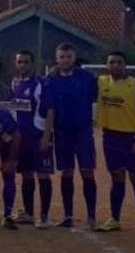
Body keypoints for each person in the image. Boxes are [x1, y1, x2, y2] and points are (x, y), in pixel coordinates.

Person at [94, 51, 135, 236]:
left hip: (132, 139)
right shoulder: (101, 82)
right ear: (106, 65)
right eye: (111, 62)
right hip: (110, 138)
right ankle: (115, 219)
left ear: (125, 65)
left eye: (119, 62)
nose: (115, 66)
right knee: (117, 179)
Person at [41, 43, 98, 229]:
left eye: (69, 57)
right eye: (62, 57)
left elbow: (96, 98)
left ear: (74, 58)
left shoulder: (87, 78)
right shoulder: (50, 80)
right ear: (57, 59)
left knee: (87, 170)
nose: (65, 60)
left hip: (83, 131)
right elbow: (50, 110)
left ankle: (91, 216)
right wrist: (48, 135)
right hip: (62, 133)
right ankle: (68, 216)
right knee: (66, 172)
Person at [3, 51, 53, 229]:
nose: (22, 65)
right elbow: (11, 107)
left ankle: (45, 216)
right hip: (20, 137)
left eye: (26, 62)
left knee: (43, 174)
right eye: (19, 62)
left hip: (38, 135)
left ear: (32, 63)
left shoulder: (41, 83)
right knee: (26, 174)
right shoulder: (15, 83)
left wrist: (46, 136)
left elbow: (50, 111)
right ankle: (29, 213)